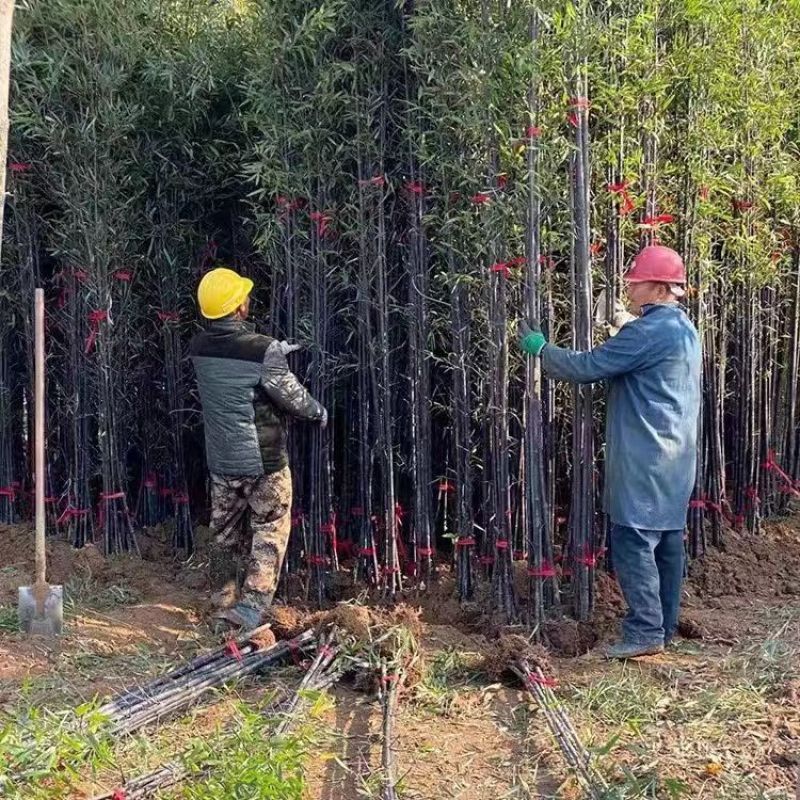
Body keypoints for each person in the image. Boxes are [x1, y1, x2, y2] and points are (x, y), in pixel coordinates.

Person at [519, 245, 701, 658]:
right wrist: (623, 324)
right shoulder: (683, 328)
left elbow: (585, 367)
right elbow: (643, 358)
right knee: (668, 542)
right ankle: (664, 626)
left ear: (656, 287)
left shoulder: (648, 332)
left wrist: (541, 349)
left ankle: (644, 632)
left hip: (645, 454)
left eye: (635, 283)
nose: (629, 288)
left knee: (633, 539)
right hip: (676, 456)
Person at [190, 267, 327, 632]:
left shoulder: (198, 347)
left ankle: (222, 604)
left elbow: (234, 373)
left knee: (223, 533)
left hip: (222, 462)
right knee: (270, 529)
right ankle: (252, 608)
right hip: (263, 461)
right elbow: (292, 397)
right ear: (238, 308)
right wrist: (318, 412)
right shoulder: (261, 349)